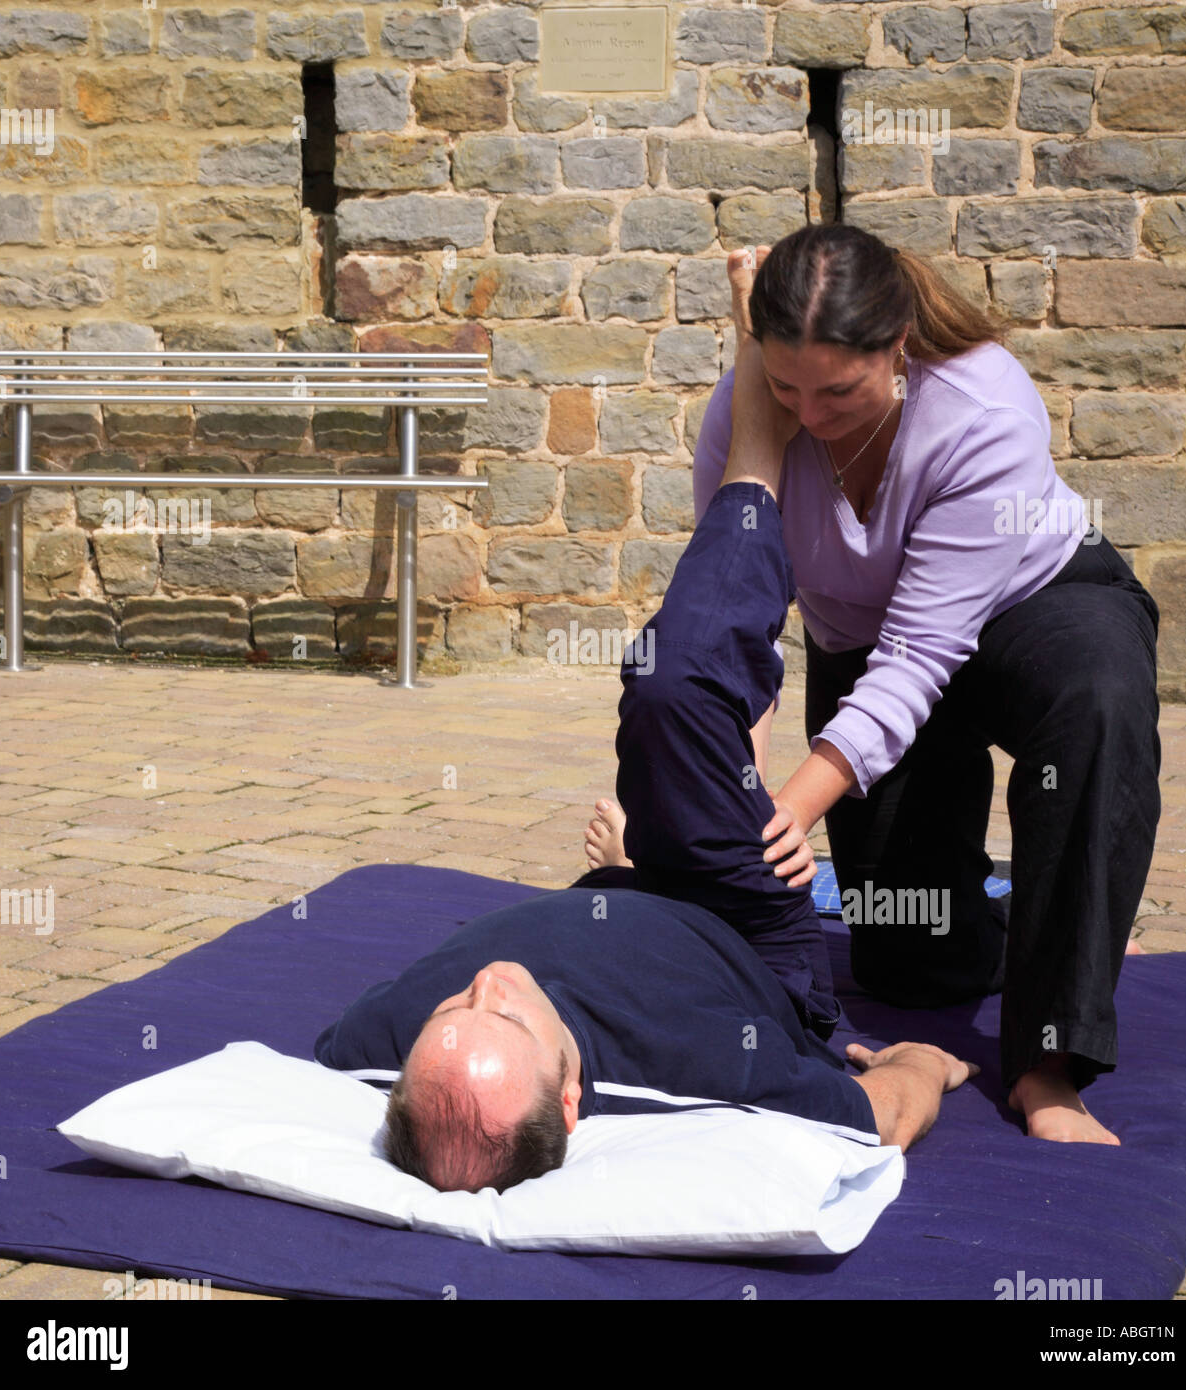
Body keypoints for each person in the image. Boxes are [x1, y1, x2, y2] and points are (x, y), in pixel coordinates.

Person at [314, 320, 979, 1193]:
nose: (485, 987)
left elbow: (368, 1069)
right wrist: (925, 1062)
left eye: (453, 1011)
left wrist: (633, 875)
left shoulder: (370, 1044)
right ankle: (757, 440)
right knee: (676, 683)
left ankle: (650, 846)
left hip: (634, 884)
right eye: (505, 1021)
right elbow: (880, 1115)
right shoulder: (700, 1068)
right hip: (742, 923)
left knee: (672, 704)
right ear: (571, 1095)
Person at [588, 226, 1161, 1147]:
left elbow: (924, 655)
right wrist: (746, 808)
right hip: (864, 642)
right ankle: (1028, 918)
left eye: (839, 392)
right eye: (785, 387)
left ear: (897, 351)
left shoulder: (981, 410)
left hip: (1038, 607)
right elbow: (745, 619)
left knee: (1098, 701)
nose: (809, 416)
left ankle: (1050, 1066)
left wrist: (802, 802)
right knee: (909, 960)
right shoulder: (749, 416)